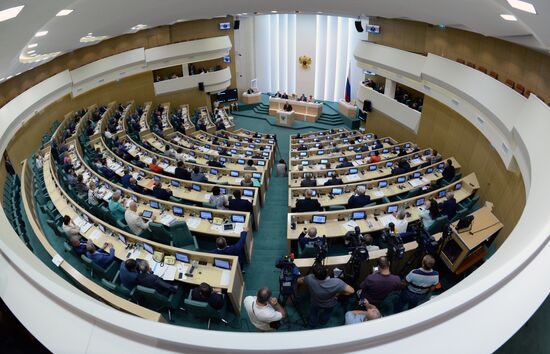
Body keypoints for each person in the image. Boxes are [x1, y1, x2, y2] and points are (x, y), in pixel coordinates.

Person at [298, 263, 354, 328]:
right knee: (327, 313)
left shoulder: (310, 278)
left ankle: (312, 324)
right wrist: (338, 293)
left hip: (315, 302)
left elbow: (299, 281)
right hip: (330, 304)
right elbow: (351, 291)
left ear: (314, 275)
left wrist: (306, 277)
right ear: (327, 271)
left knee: (313, 313)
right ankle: (323, 322)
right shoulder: (336, 282)